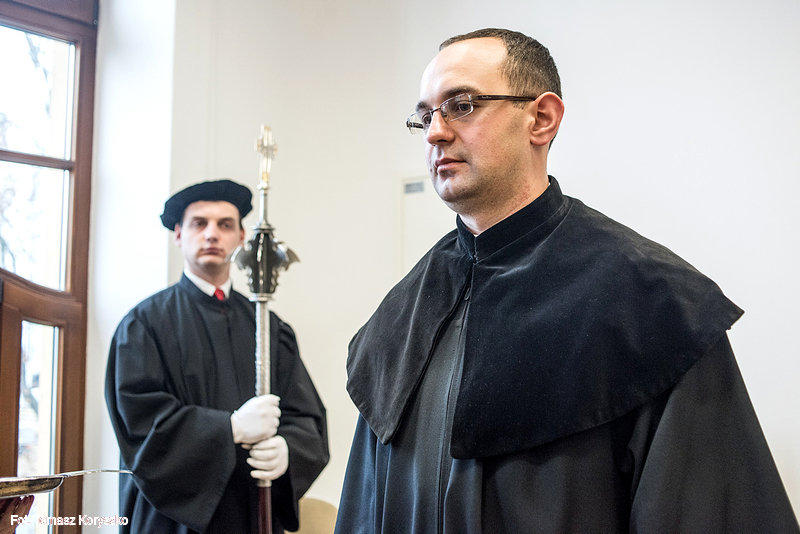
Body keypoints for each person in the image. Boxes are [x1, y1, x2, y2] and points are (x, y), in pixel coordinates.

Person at [336, 29, 799, 533]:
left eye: (462, 106)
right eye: (426, 116)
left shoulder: (653, 304)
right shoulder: (400, 315)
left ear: (541, 118)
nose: (435, 133)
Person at [106, 179, 329, 533]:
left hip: (251, 512)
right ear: (179, 234)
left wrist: (289, 450)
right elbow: (140, 422)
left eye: (225, 225)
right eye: (199, 223)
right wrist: (229, 429)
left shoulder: (268, 327)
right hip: (170, 521)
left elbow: (305, 415)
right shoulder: (144, 325)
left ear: (241, 237)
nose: (212, 234)